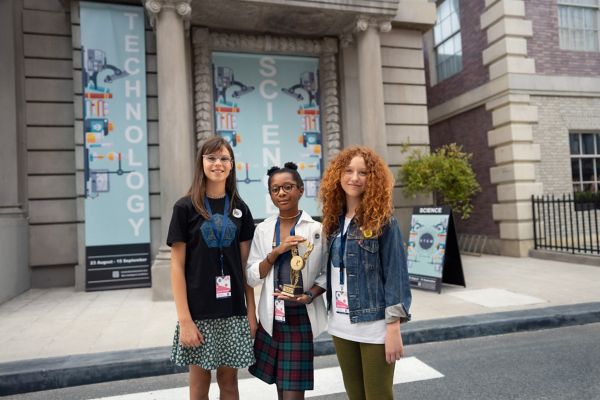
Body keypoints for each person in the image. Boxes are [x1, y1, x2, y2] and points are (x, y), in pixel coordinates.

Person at [166, 136, 257, 400]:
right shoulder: (184, 207)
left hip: (233, 311)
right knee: (199, 383)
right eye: (211, 158)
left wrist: (251, 312)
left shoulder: (241, 209)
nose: (218, 163)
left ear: (231, 166)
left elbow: (244, 266)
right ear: (202, 163)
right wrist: (185, 320)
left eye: (224, 158)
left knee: (229, 383)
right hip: (198, 312)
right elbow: (176, 266)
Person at [319, 146, 412, 400]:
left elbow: (396, 275)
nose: (354, 178)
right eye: (348, 171)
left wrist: (393, 329)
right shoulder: (334, 221)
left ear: (373, 178)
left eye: (363, 172)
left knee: (378, 396)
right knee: (355, 396)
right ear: (338, 175)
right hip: (340, 324)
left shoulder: (384, 221)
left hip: (374, 325)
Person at [247, 162, 327, 400]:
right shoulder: (262, 230)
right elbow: (252, 275)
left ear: (301, 190)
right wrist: (275, 253)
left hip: (300, 318)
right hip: (272, 318)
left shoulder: (317, 230)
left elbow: (326, 273)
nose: (281, 193)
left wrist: (309, 295)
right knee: (282, 390)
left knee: (292, 394)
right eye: (275, 189)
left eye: (288, 187)